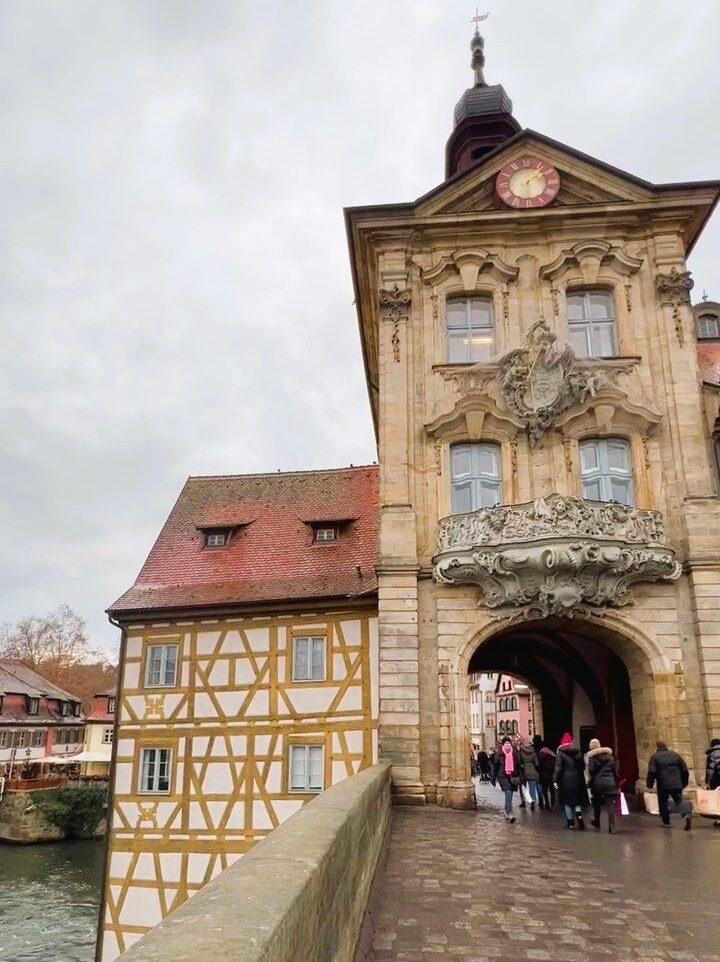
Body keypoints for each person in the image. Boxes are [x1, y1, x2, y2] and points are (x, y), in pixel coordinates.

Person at [646, 740, 691, 830]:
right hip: (676, 783)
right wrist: (683, 782)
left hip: (663, 784)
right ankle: (686, 816)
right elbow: (684, 770)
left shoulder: (655, 757)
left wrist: (649, 784)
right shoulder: (675, 755)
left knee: (663, 802)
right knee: (679, 800)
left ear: (657, 747)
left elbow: (652, 771)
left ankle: (666, 821)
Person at [553, 732, 589, 829]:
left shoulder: (560, 753)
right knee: (576, 801)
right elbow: (582, 767)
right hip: (577, 780)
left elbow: (558, 768)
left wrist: (555, 780)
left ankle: (571, 823)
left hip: (565, 781)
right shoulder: (578, 752)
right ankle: (580, 818)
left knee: (567, 802)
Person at [586, 738, 619, 833]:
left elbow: (591, 771)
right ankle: (612, 827)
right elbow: (615, 773)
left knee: (596, 803)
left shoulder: (592, 758)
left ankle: (597, 821)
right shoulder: (610, 757)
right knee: (610, 805)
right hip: (610, 783)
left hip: (597, 784)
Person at [491, 736, 521, 823]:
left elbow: (518, 764)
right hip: (503, 775)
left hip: (512, 775)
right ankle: (510, 812)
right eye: (506, 743)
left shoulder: (514, 752)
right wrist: (493, 778)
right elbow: (495, 766)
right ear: (503, 744)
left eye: (509, 743)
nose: (507, 744)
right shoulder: (499, 753)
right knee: (508, 791)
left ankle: (506, 810)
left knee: (510, 793)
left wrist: (520, 776)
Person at [518, 736, 540, 812]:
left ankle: (524, 800)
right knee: (532, 789)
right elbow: (537, 763)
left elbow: (519, 762)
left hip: (524, 772)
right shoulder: (533, 751)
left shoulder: (521, 752)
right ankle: (533, 801)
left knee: (523, 788)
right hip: (533, 771)